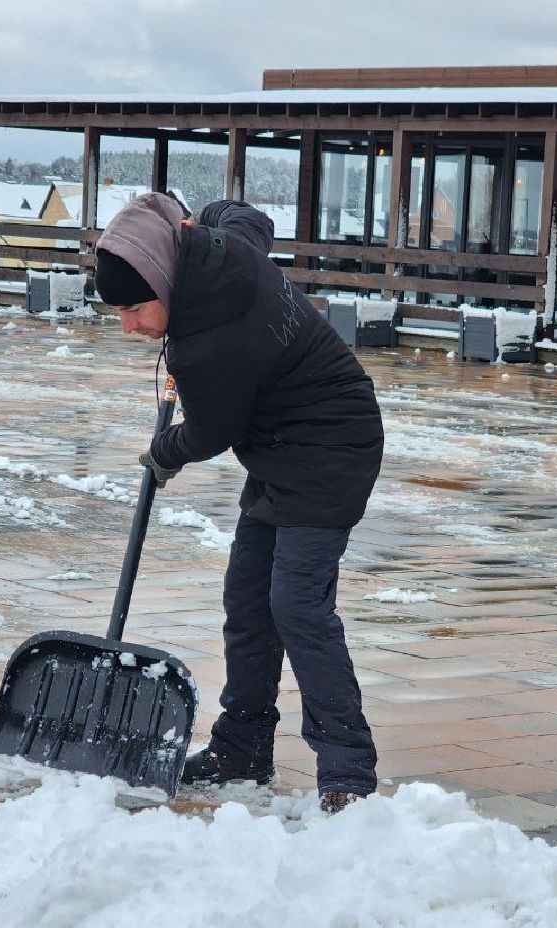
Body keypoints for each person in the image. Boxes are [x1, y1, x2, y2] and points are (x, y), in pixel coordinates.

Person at [93, 193, 384, 814]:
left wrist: (164, 450)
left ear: (164, 283)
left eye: (135, 309)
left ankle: (348, 773)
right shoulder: (222, 252)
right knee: (248, 602)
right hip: (280, 450)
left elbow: (210, 432)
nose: (129, 327)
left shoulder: (206, 347)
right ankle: (242, 749)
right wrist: (197, 221)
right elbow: (246, 217)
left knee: (297, 607)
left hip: (331, 449)